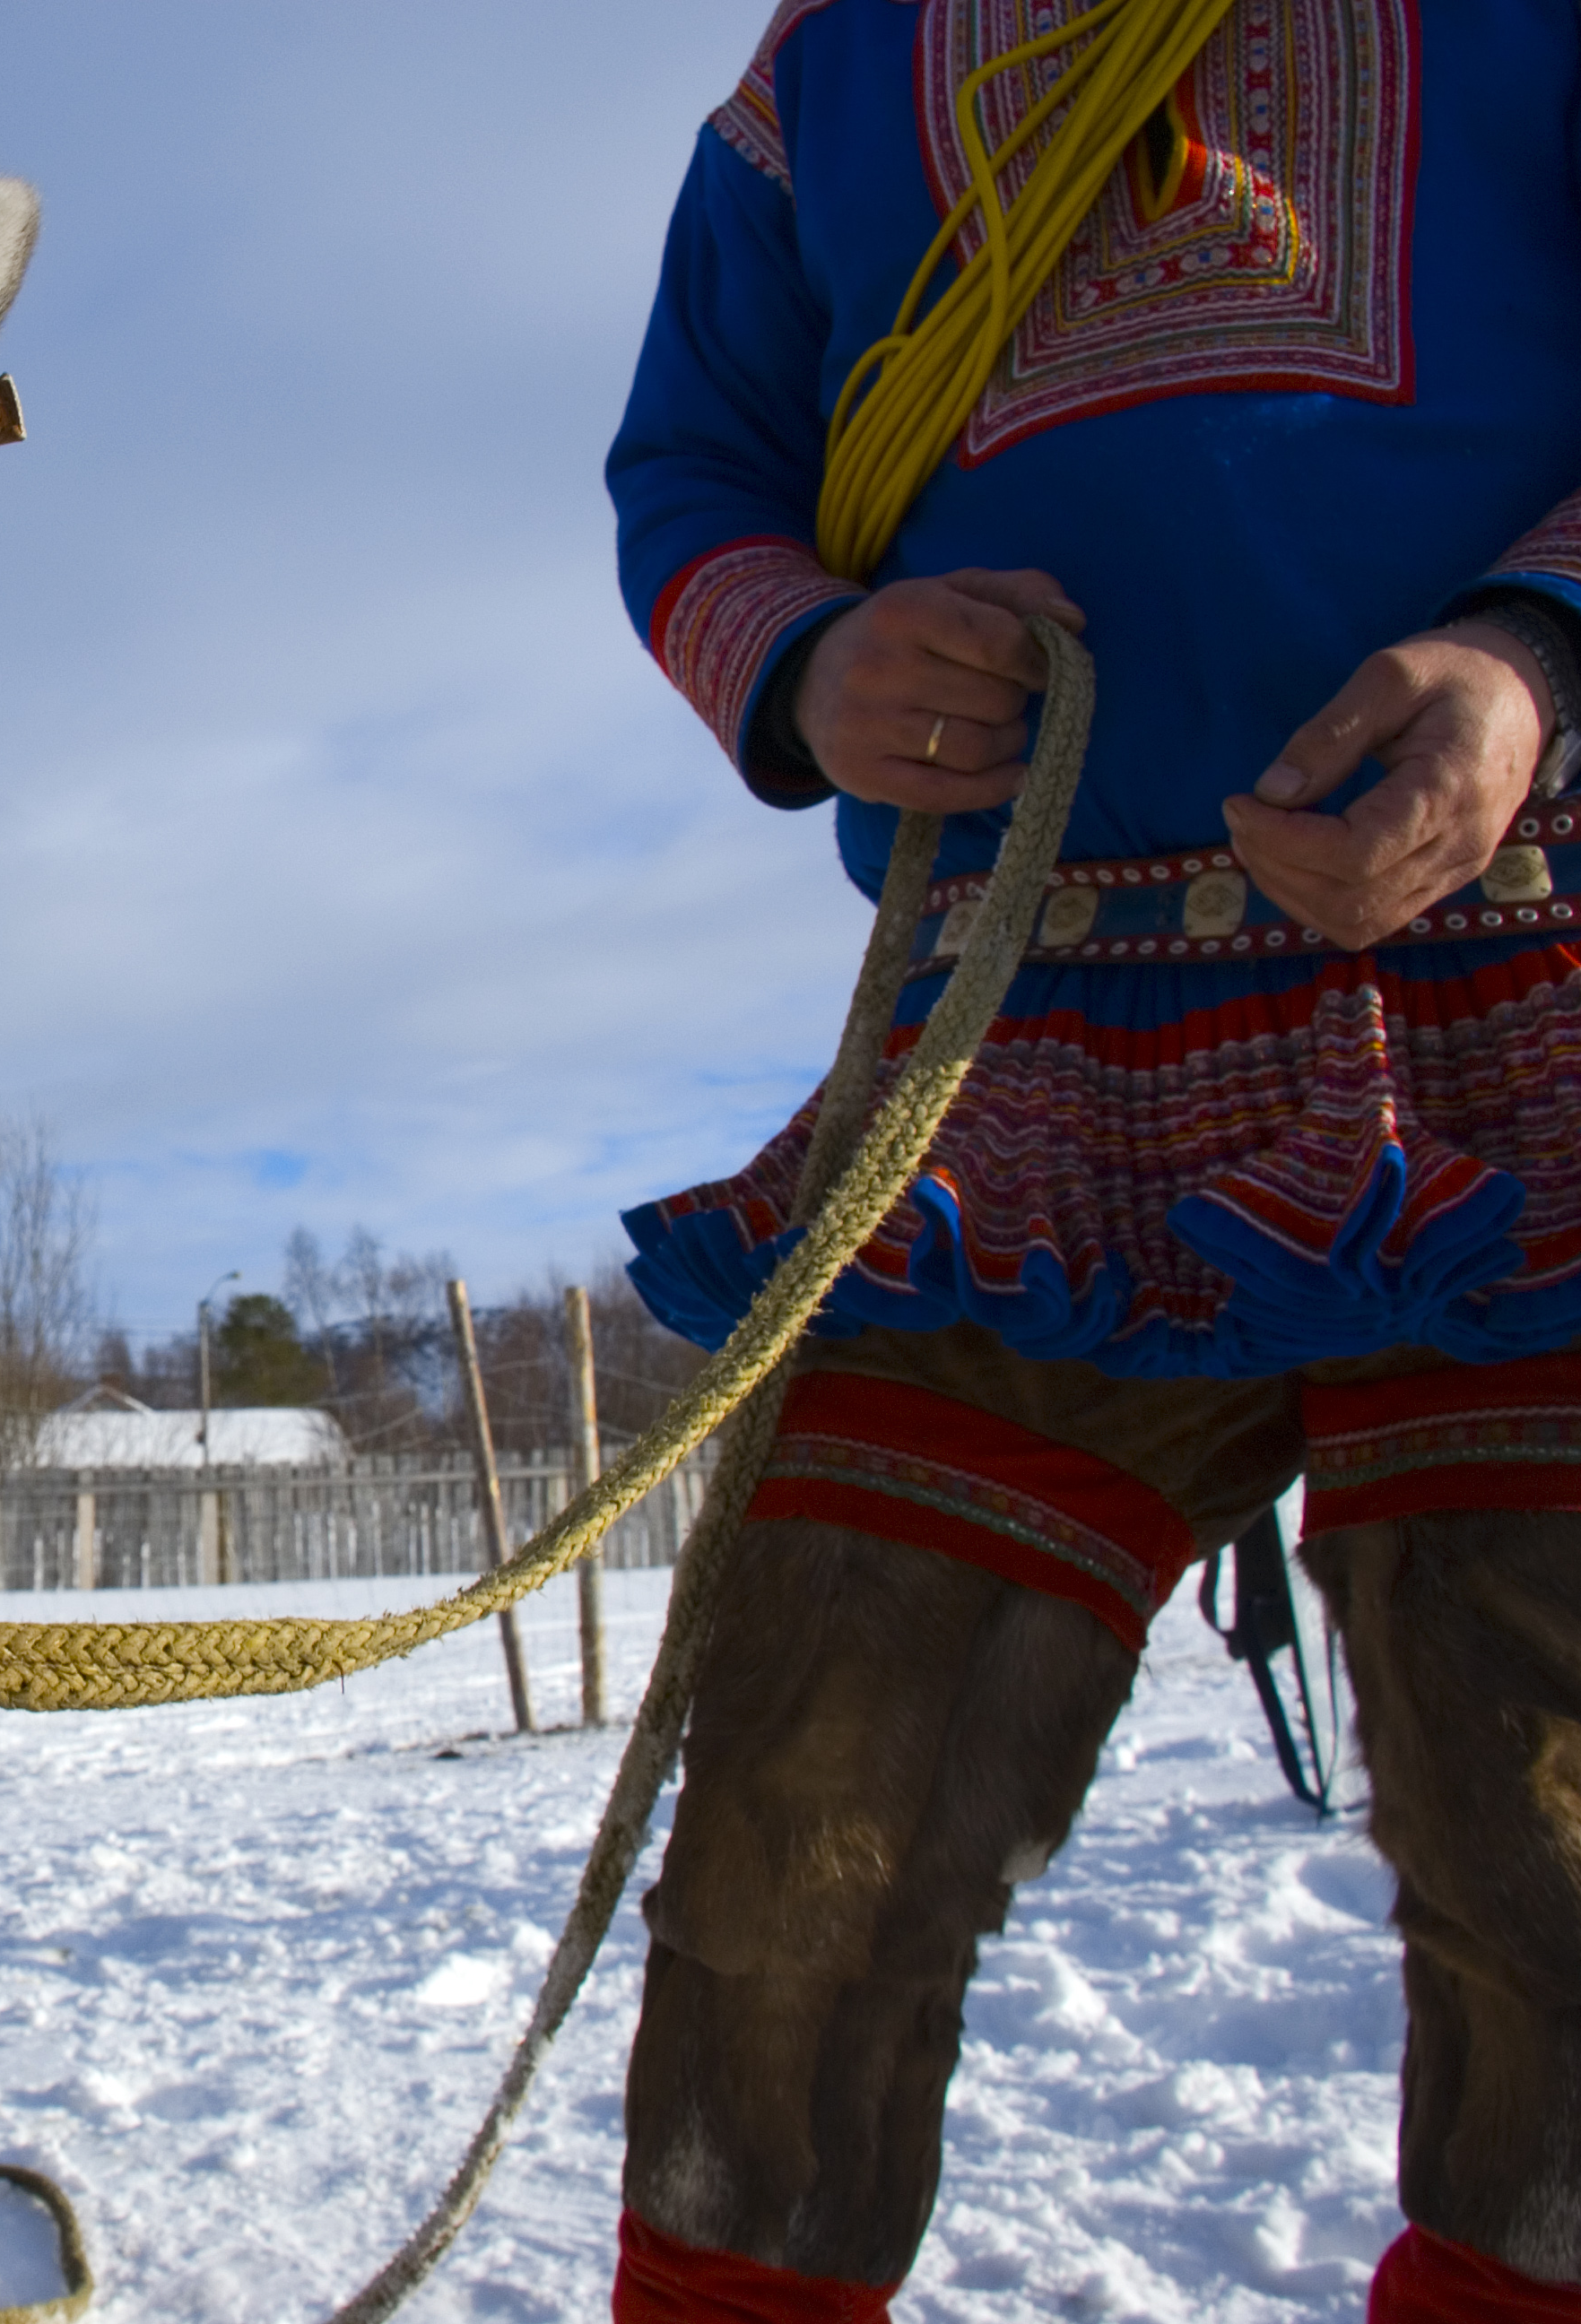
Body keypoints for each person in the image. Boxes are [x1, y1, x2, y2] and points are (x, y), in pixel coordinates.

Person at [605, 4, 1581, 2317]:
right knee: (797, 1837)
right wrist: (812, 663)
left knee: (1561, 1845)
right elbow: (694, 470)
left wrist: (1534, 660)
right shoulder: (829, 68)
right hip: (1010, 1073)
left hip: (1534, 1020)